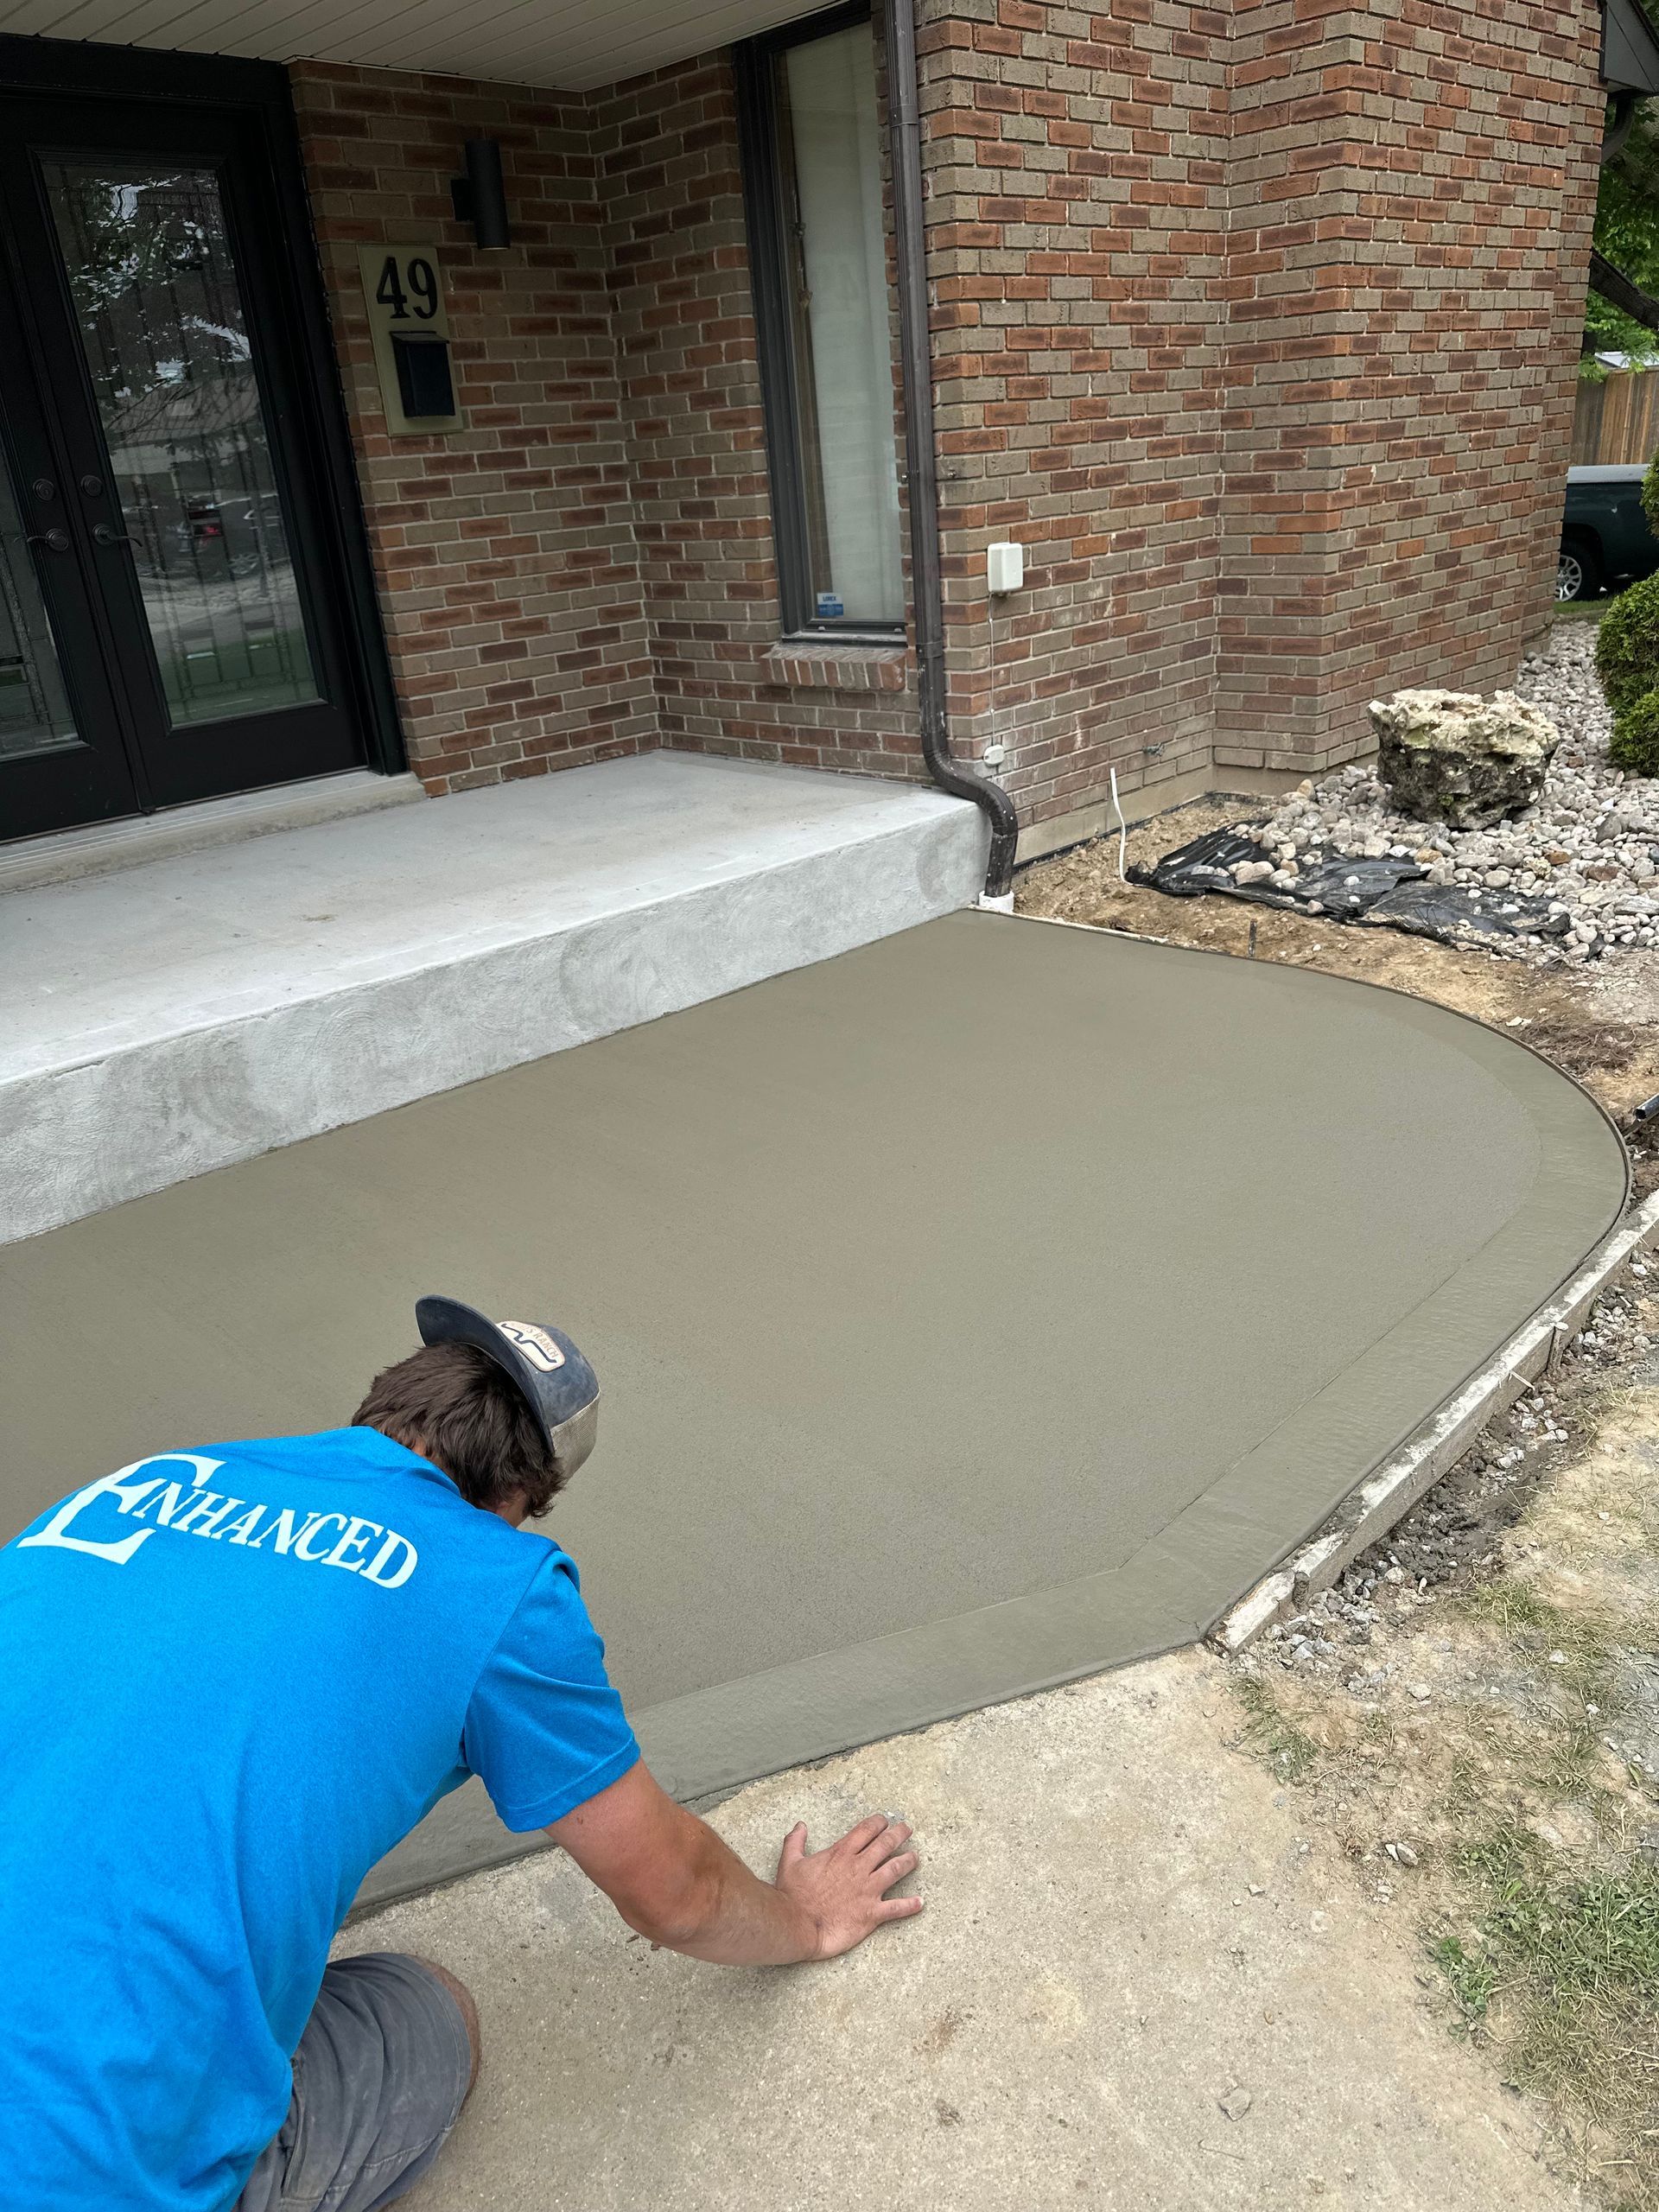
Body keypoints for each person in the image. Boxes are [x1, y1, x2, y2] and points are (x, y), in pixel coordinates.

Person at [0, 1296, 922, 2211]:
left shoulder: (144, 1481)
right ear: (521, 1500)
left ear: (382, 1403)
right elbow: (674, 1892)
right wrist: (803, 1921)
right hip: (86, 2177)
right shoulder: (494, 1581)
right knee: (426, 2013)